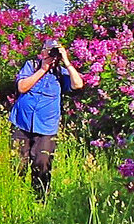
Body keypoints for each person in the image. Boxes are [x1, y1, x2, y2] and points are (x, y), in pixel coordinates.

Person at [8, 39, 84, 198]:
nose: (51, 54)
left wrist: (67, 61)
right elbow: (22, 87)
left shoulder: (61, 73)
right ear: (42, 52)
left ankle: (39, 199)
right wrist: (43, 69)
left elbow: (78, 85)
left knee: (42, 163)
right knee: (17, 164)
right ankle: (16, 196)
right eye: (48, 51)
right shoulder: (31, 65)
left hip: (46, 127)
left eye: (54, 52)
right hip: (21, 123)